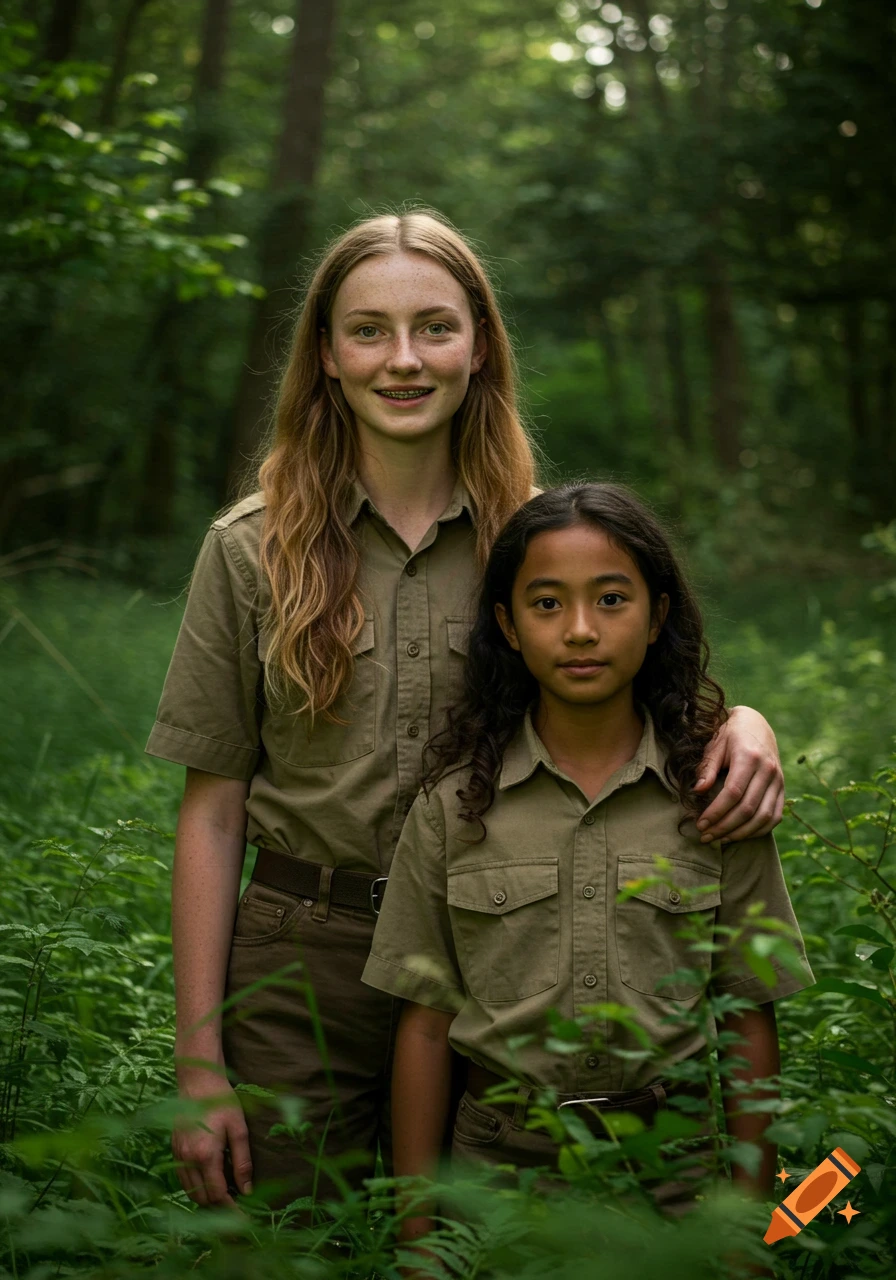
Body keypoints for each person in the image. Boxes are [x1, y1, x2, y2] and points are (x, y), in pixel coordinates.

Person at [146, 209, 788, 1210]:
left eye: (434, 327)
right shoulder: (250, 549)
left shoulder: (535, 542)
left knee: (483, 1237)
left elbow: (637, 679)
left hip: (504, 951)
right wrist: (199, 1062)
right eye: (368, 330)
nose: (403, 359)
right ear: (326, 354)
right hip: (301, 957)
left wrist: (745, 721)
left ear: (478, 343)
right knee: (282, 1239)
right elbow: (214, 807)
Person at [361, 482, 815, 1242]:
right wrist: (419, 1243)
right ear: (507, 625)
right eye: (547, 604)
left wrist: (749, 1234)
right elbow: (426, 1026)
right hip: (499, 1174)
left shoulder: (714, 801)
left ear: (657, 616)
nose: (579, 630)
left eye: (611, 600)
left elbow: (746, 1015)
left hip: (673, 1173)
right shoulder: (454, 810)